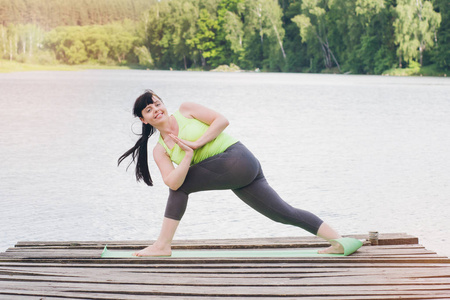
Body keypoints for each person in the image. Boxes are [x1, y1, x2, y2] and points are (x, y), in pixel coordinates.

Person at [119, 90, 347, 257]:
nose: (156, 110)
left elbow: (222, 120)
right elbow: (172, 181)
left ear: (163, 104)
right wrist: (187, 156)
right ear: (143, 119)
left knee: (182, 186)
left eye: (157, 104)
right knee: (281, 213)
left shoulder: (186, 110)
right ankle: (341, 242)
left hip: (237, 158)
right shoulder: (160, 150)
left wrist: (196, 144)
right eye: (149, 110)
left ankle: (162, 245)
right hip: (236, 171)